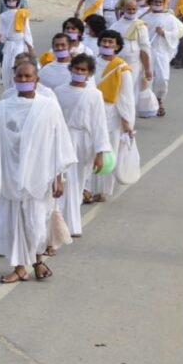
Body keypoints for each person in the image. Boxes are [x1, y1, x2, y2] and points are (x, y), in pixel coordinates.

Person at [0, 62, 76, 283]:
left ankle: (37, 260)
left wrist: (59, 177)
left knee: (37, 221)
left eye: (28, 76)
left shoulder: (48, 106)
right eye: (19, 76)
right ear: (14, 78)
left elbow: (59, 141)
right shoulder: (4, 106)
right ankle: (21, 266)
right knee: (15, 221)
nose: (23, 80)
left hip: (41, 173)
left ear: (36, 80)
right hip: (11, 173)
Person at [54, 55, 111, 237]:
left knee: (77, 183)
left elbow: (99, 124)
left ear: (90, 73)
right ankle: (61, 222)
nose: (79, 72)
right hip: (63, 139)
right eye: (77, 69)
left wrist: (99, 152)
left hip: (84, 142)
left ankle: (71, 223)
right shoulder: (59, 91)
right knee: (63, 180)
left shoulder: (95, 95)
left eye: (83, 70)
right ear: (71, 69)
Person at [88, 30, 135, 203]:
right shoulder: (90, 64)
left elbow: (126, 98)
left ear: (118, 46)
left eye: (111, 42)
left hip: (112, 115)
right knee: (90, 150)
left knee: (108, 151)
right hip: (92, 112)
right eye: (104, 41)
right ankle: (87, 188)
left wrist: (126, 122)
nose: (107, 45)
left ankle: (103, 190)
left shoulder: (122, 68)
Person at [143, 0, 183, 114]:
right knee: (148, 79)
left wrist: (164, 33)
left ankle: (160, 99)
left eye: (160, 2)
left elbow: (176, 34)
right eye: (156, 2)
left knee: (162, 79)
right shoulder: (145, 19)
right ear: (151, 3)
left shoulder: (170, 18)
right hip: (148, 53)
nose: (158, 4)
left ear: (164, 3)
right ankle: (150, 105)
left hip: (162, 53)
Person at [0, 0, 35, 90]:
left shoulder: (22, 14)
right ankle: (8, 92)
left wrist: (31, 48)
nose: (11, 1)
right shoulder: (3, 16)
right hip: (8, 44)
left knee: (16, 67)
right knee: (6, 69)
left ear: (17, 1)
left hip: (19, 44)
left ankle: (18, 90)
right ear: (6, 1)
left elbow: (27, 32)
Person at [117, 0, 153, 99]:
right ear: (123, 9)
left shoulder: (140, 26)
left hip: (134, 63)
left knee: (129, 90)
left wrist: (147, 68)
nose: (132, 11)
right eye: (129, 9)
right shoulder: (116, 26)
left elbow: (145, 48)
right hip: (118, 63)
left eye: (134, 9)